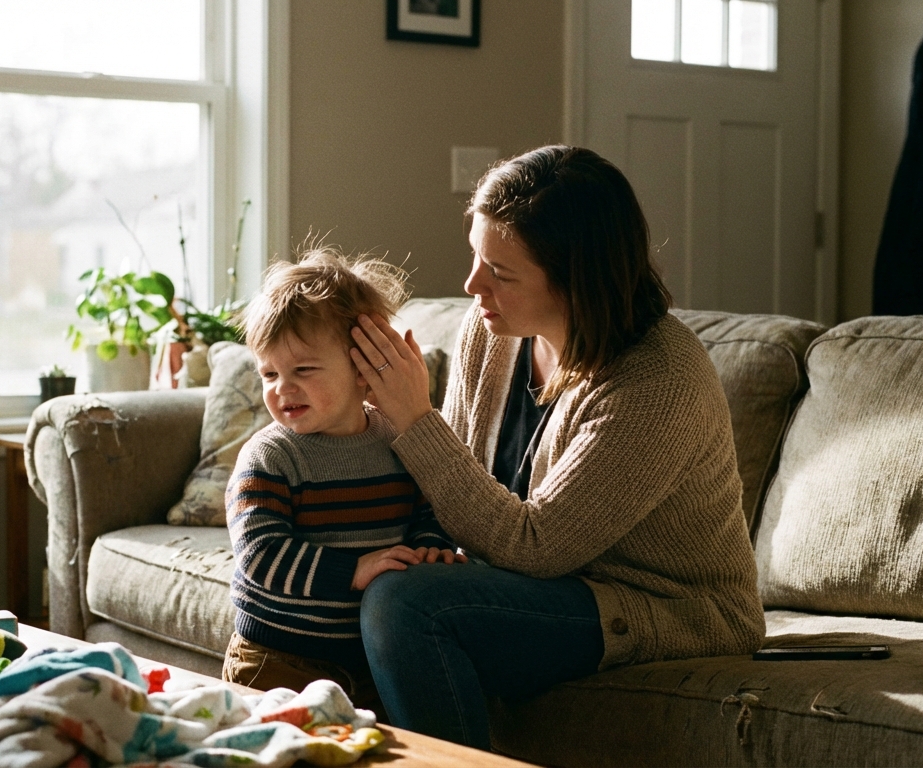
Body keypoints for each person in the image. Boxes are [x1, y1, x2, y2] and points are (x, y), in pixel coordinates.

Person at [348, 145, 766, 749]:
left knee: (406, 606)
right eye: (475, 256)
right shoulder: (490, 334)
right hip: (543, 586)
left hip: (665, 606)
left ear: (576, 280)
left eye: (502, 272)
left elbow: (540, 546)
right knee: (364, 575)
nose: (472, 285)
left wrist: (415, 419)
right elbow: (456, 488)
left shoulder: (659, 378)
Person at [221, 248, 463, 716]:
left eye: (303, 370)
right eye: (269, 373)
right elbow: (259, 555)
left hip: (366, 660)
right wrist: (352, 570)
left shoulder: (397, 440)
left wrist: (431, 547)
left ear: (362, 369)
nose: (281, 388)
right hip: (278, 660)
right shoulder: (270, 456)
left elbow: (428, 509)